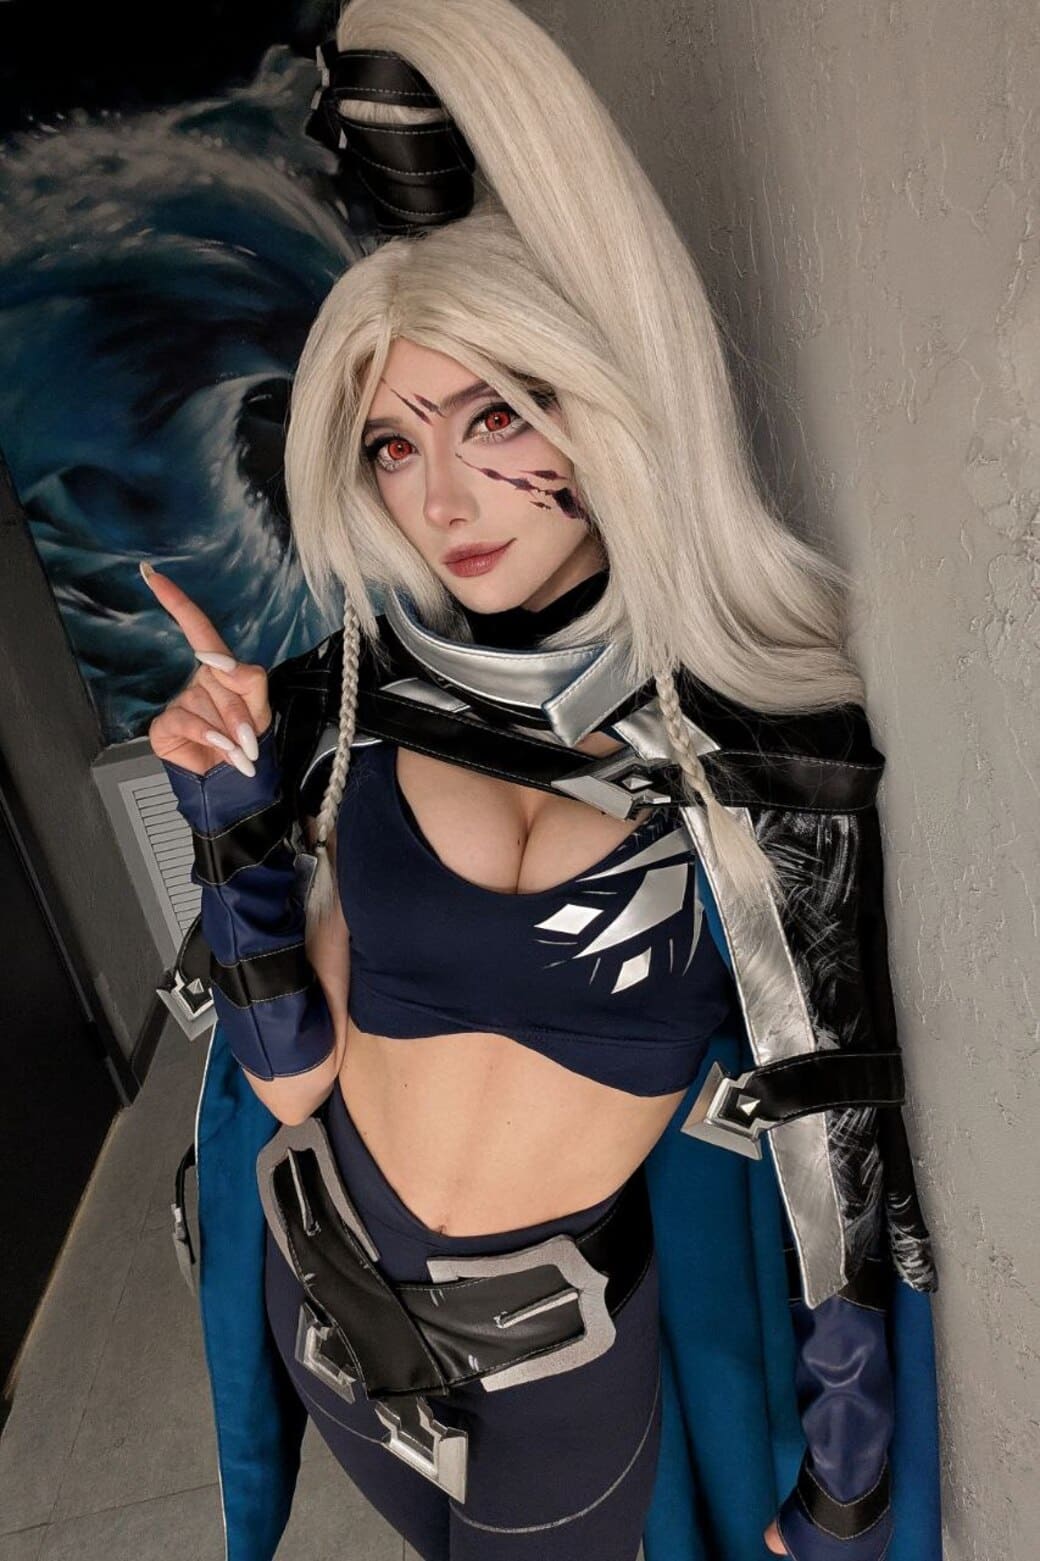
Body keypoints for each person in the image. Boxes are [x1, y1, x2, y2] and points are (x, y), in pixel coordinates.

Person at [145, 2, 942, 1558]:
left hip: (553, 1381)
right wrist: (230, 805)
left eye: (492, 418)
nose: (441, 498)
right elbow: (289, 1075)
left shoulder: (753, 746)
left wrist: (845, 1476)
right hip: (327, 1290)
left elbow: (830, 1124)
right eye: (392, 445)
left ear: (598, 406)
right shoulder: (358, 697)